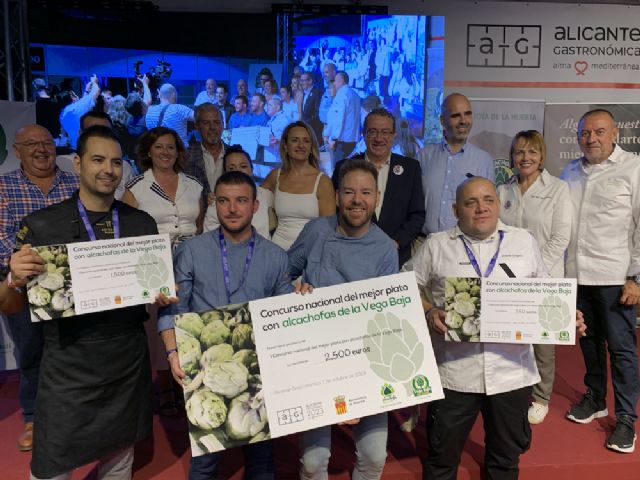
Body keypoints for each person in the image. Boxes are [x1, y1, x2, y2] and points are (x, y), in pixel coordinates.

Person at [6, 125, 165, 479]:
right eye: (97, 160)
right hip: (67, 365)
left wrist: (161, 292)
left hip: (126, 361)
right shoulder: (41, 226)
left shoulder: (141, 225)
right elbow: (9, 305)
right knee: (50, 467)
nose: (108, 169)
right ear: (77, 163)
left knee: (119, 463)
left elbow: (155, 293)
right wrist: (13, 279)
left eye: (115, 162)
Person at [409, 176, 575, 480]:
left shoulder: (523, 241)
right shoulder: (436, 245)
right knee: (441, 460)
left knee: (505, 462)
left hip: (511, 373)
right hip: (455, 374)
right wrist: (430, 310)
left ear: (498, 205)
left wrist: (565, 314)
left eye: (488, 200)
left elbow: (544, 292)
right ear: (456, 209)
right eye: (471, 202)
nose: (481, 208)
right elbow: (405, 286)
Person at [158, 170, 292, 480]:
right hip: (206, 366)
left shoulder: (275, 257)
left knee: (261, 456)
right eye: (224, 201)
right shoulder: (190, 251)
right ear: (213, 203)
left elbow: (286, 316)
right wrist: (171, 352)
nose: (232, 209)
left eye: (241, 201)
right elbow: (173, 306)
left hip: (258, 365)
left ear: (256, 206)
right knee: (205, 462)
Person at [289, 158, 398, 480]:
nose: (357, 200)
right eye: (349, 192)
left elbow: (387, 323)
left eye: (365, 193)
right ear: (336, 195)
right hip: (317, 358)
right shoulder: (315, 231)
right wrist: (295, 291)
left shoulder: (384, 249)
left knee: (375, 456)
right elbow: (283, 272)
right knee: (313, 462)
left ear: (376, 198)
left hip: (365, 359)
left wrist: (356, 392)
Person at [562, 109, 640, 453]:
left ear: (615, 133)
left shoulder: (634, 168)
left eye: (598, 131)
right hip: (577, 276)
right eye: (584, 132)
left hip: (615, 277)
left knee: (622, 350)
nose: (591, 138)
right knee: (588, 342)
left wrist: (634, 277)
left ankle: (626, 418)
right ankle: (596, 398)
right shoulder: (569, 171)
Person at [0, 124, 79, 451]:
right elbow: (1, 238)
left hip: (75, 282)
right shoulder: (3, 187)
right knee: (31, 350)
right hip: (24, 283)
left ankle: (76, 413)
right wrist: (26, 261)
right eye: (32, 143)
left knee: (75, 348)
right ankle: (34, 416)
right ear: (17, 150)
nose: (41, 149)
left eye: (47, 142)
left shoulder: (76, 183)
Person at [121, 126, 203, 415]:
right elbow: (127, 230)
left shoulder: (194, 185)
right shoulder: (135, 188)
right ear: (148, 152)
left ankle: (192, 379)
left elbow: (201, 225)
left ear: (179, 151)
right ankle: (167, 385)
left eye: (171, 147)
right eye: (159, 147)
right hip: (155, 264)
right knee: (161, 322)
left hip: (193, 261)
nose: (165, 152)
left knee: (191, 318)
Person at [497, 130, 572, 425]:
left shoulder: (559, 189)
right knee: (513, 338)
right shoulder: (503, 191)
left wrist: (535, 273)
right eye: (519, 152)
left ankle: (541, 397)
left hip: (546, 278)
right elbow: (499, 235)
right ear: (512, 157)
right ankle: (514, 387)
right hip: (510, 278)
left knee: (542, 342)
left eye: (531, 152)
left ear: (541, 156)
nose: (525, 158)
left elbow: (560, 238)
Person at [332, 107, 424, 267]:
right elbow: (335, 211)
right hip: (351, 254)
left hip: (396, 256)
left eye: (385, 132)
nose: (379, 138)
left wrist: (395, 243)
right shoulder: (344, 167)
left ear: (394, 135)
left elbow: (417, 215)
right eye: (373, 132)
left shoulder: (411, 168)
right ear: (364, 134)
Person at [418, 93, 494, 239]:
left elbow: (488, 210)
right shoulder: (423, 157)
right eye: (456, 116)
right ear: (442, 120)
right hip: (424, 243)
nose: (463, 121)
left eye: (467, 114)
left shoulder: (484, 160)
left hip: (464, 247)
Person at [262, 121, 336, 251]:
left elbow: (328, 231)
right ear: (285, 145)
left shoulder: (323, 182)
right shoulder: (275, 176)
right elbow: (250, 201)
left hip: (309, 254)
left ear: (311, 146)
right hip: (277, 252)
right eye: (295, 140)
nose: (301, 145)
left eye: (306, 141)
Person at [56, 110, 134, 200]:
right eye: (93, 132)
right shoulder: (62, 163)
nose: (100, 137)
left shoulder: (125, 168)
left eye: (105, 132)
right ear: (81, 134)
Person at [204, 145, 273, 239]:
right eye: (231, 168)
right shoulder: (217, 200)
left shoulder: (265, 195)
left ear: (252, 170)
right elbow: (209, 237)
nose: (238, 171)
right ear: (225, 172)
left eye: (243, 166)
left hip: (262, 251)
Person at [183, 104, 229, 207]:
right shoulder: (186, 157)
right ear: (197, 127)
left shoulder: (235, 155)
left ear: (222, 125)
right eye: (206, 123)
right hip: (197, 219)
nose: (212, 127)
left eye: (216, 122)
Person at [324, 71, 361, 164]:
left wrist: (333, 138)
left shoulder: (341, 95)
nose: (335, 84)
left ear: (341, 81)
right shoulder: (355, 95)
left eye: (336, 81)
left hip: (341, 140)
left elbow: (339, 119)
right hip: (352, 139)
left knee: (339, 170)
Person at [59, 74, 101, 150]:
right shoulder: (77, 109)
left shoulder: (63, 115)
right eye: (73, 94)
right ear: (73, 97)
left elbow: (82, 106)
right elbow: (96, 91)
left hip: (74, 146)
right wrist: (94, 82)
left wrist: (87, 91)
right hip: (87, 147)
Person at [145, 83, 194, 147]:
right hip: (177, 154)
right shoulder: (180, 109)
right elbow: (201, 117)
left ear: (159, 94)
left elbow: (146, 101)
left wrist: (145, 84)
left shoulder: (149, 110)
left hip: (157, 153)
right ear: (174, 94)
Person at [298, 72, 324, 143]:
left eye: (303, 80)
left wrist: (306, 122)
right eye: (301, 80)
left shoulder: (317, 92)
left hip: (314, 131)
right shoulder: (304, 93)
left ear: (310, 81)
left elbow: (318, 113)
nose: (301, 83)